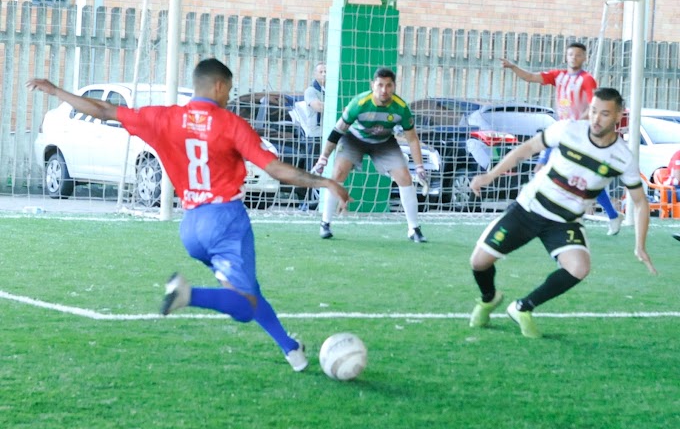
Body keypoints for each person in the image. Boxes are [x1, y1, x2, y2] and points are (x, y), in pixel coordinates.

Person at [26, 58, 351, 372]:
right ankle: (187, 294)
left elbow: (105, 110)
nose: (229, 97)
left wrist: (58, 92)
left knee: (249, 291)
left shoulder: (164, 118)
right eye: (229, 90)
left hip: (192, 226)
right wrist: (324, 181)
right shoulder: (230, 124)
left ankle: (291, 349)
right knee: (244, 306)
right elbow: (276, 169)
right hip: (226, 221)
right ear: (220, 86)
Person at [467, 87, 657, 338]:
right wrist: (490, 175)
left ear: (618, 115)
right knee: (478, 263)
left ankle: (522, 307)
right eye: (593, 111)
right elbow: (526, 149)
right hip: (529, 209)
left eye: (604, 114)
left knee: (579, 268)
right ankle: (489, 299)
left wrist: (640, 245)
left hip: (565, 222)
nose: (596, 119)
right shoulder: (568, 129)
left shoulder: (622, 157)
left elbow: (641, 202)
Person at [501, 42, 623, 236]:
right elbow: (531, 77)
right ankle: (526, 209)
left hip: (579, 135)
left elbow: (594, 106)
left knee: (585, 179)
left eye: (577, 55)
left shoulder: (587, 79)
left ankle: (612, 215)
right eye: (570, 54)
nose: (573, 58)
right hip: (560, 133)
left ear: (584, 58)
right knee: (541, 167)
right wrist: (514, 67)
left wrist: (576, 124)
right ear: (566, 57)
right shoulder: (558, 76)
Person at [312, 67, 428, 242]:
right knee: (338, 173)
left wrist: (419, 167)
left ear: (394, 86)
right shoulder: (359, 103)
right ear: (372, 85)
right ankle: (325, 223)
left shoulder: (401, 108)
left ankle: (414, 229)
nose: (384, 90)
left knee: (405, 177)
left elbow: (412, 139)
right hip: (354, 139)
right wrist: (323, 159)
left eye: (388, 86)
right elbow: (337, 131)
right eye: (380, 85)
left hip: (383, 143)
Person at [295, 62, 326, 210]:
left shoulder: (331, 91)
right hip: (315, 135)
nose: (324, 74)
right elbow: (317, 106)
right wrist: (336, 105)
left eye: (326, 71)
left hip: (329, 136)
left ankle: (321, 201)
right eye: (321, 71)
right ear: (315, 74)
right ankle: (304, 200)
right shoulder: (311, 91)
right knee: (311, 168)